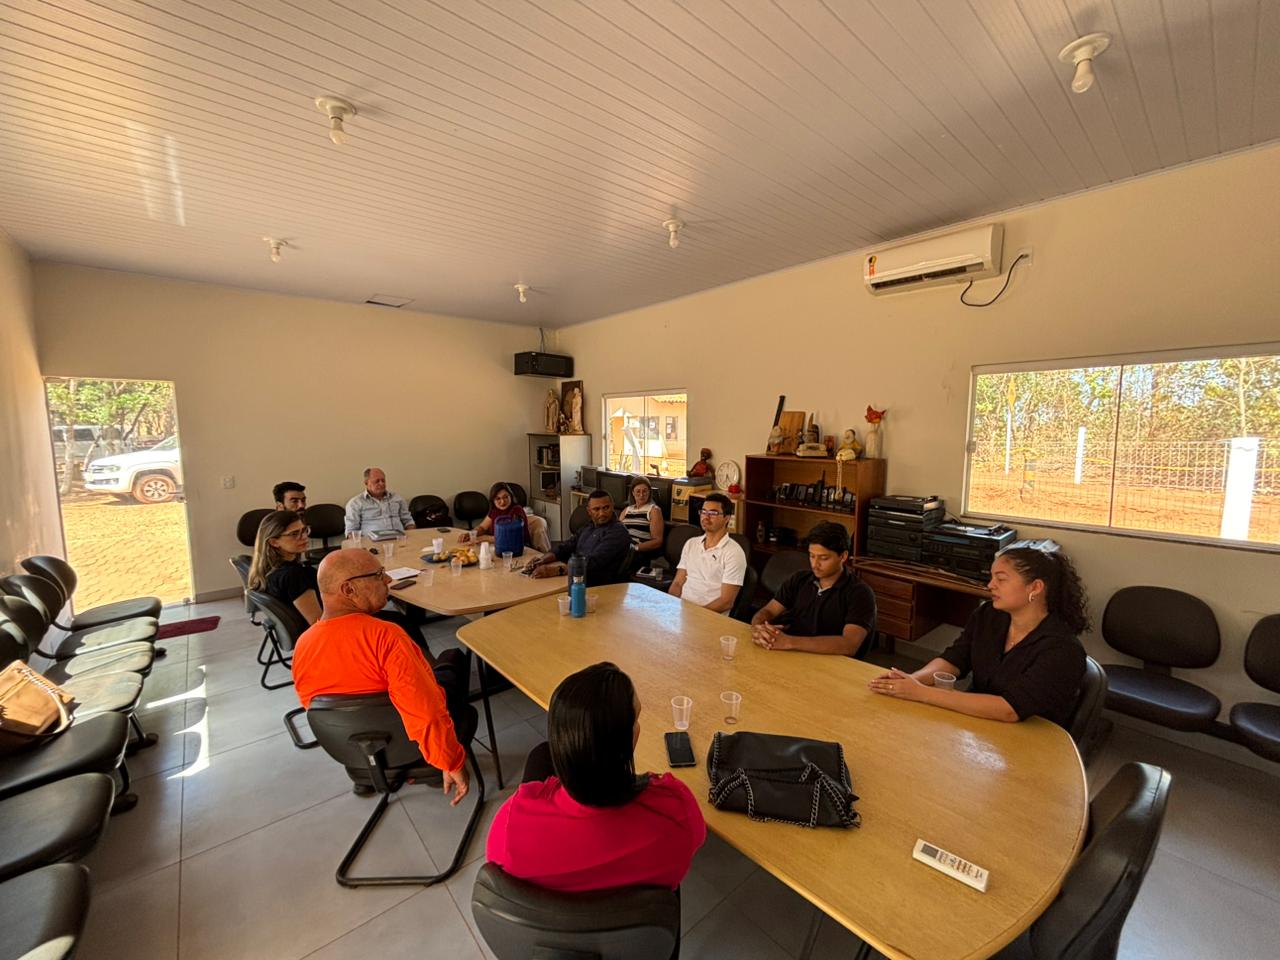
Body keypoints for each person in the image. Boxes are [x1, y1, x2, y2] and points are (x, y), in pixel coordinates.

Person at [486, 662, 705, 892]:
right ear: (624, 744)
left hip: (560, 923)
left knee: (539, 755)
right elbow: (696, 838)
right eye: (636, 718)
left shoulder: (508, 831)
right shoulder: (678, 812)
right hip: (637, 921)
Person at [292, 548, 470, 802]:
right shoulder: (386, 636)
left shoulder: (304, 645)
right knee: (452, 659)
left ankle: (366, 773)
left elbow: (318, 709)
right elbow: (426, 712)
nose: (388, 581)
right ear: (349, 590)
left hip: (351, 750)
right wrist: (450, 762)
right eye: (378, 575)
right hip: (410, 744)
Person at [868, 544, 1089, 726]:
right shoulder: (989, 615)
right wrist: (911, 680)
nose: (990, 585)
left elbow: (1009, 710)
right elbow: (955, 659)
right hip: (981, 723)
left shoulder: (1062, 649)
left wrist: (921, 693)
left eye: (1001, 579)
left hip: (1030, 739)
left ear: (1036, 587)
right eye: (992, 577)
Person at [248, 512, 433, 655]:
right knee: (403, 623)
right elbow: (317, 622)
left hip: (326, 629)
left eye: (304, 530)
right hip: (335, 635)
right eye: (294, 534)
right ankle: (431, 672)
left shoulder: (267, 571)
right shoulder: (293, 575)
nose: (304, 537)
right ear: (273, 542)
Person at [751, 522, 876, 657]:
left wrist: (789, 642)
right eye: (811, 556)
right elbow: (769, 610)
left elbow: (849, 644)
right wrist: (759, 628)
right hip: (795, 657)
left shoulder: (860, 593)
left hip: (834, 666)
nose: (815, 565)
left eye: (823, 558)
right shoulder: (799, 579)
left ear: (843, 556)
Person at [526, 490, 630, 586]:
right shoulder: (589, 526)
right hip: (573, 577)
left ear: (612, 507)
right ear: (589, 511)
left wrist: (555, 570)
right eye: (596, 509)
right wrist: (543, 559)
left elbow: (593, 563)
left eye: (606, 508)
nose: (602, 513)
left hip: (594, 584)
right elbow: (567, 546)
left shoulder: (618, 531)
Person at [669, 493, 745, 614]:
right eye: (704, 512)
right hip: (682, 611)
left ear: (727, 518)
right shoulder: (691, 543)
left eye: (713, 513)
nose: (706, 517)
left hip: (709, 617)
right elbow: (678, 583)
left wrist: (697, 615)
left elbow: (726, 601)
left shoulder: (734, 553)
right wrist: (671, 605)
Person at [458, 482, 551, 553]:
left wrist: (487, 538)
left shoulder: (516, 510)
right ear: (493, 500)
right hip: (499, 548)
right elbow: (482, 527)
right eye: (498, 498)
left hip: (516, 549)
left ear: (511, 496)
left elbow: (512, 537)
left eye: (505, 497)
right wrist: (470, 534)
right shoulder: (494, 511)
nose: (502, 501)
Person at [344, 467, 414, 535]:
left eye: (383, 480)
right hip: (370, 543)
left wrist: (411, 537)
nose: (381, 483)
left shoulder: (397, 498)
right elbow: (351, 532)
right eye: (377, 481)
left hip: (399, 540)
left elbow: (408, 521)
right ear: (366, 483)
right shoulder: (355, 503)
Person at [619, 476, 664, 561]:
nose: (641, 495)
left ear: (649, 492)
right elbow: (616, 531)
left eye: (644, 491)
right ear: (633, 492)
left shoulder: (653, 510)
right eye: (638, 491)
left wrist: (634, 548)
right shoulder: (626, 510)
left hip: (637, 550)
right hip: (622, 545)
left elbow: (657, 541)